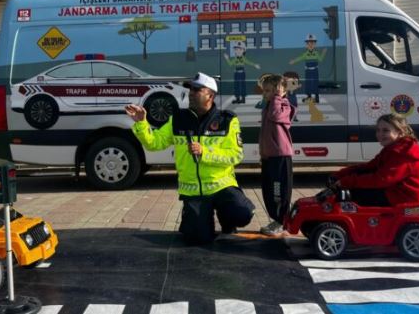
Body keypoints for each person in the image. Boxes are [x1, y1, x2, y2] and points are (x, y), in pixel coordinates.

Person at [125, 72, 255, 245]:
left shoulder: (227, 120)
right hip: (193, 192)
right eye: (190, 90)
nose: (191, 93)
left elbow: (236, 155)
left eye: (197, 90)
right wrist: (141, 123)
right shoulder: (178, 119)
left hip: (222, 186)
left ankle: (227, 221)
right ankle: (194, 222)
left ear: (210, 95)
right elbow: (154, 143)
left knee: (242, 213)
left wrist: (205, 153)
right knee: (197, 239)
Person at [330, 113, 419, 206]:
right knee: (355, 186)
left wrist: (347, 182)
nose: (380, 134)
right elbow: (369, 167)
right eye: (378, 130)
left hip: (404, 196)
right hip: (395, 189)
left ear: (400, 132)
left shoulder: (403, 154)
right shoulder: (393, 149)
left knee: (353, 195)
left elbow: (381, 179)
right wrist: (341, 174)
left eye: (385, 130)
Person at [258, 75, 295, 236]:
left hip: (281, 157)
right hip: (269, 157)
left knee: (279, 192)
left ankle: (282, 221)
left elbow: (276, 116)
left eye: (268, 91)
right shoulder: (268, 106)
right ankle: (276, 219)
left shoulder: (285, 106)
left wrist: (278, 98)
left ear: (279, 91)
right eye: (264, 90)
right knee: (268, 191)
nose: (264, 94)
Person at [289, 34, 326, 103]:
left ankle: (316, 97)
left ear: (315, 44)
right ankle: (309, 96)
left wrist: (323, 53)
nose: (310, 45)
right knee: (308, 83)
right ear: (306, 45)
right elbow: (300, 58)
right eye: (308, 43)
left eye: (312, 43)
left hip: (315, 70)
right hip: (308, 70)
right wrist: (293, 61)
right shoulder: (305, 54)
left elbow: (320, 59)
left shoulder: (316, 53)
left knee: (315, 83)